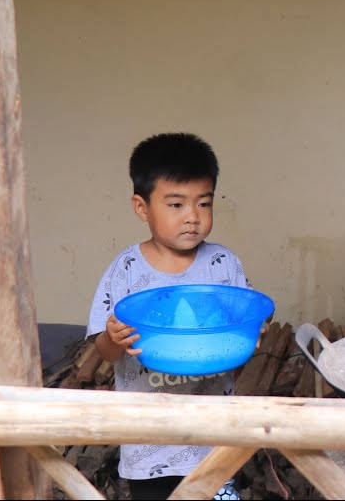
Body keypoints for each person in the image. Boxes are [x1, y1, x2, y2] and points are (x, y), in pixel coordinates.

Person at [87, 133, 249, 501]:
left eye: (204, 203)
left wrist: (250, 334)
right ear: (141, 207)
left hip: (215, 440)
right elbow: (106, 351)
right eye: (176, 204)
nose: (193, 217)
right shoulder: (126, 271)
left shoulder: (223, 264)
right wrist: (113, 339)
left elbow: (241, 329)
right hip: (150, 444)